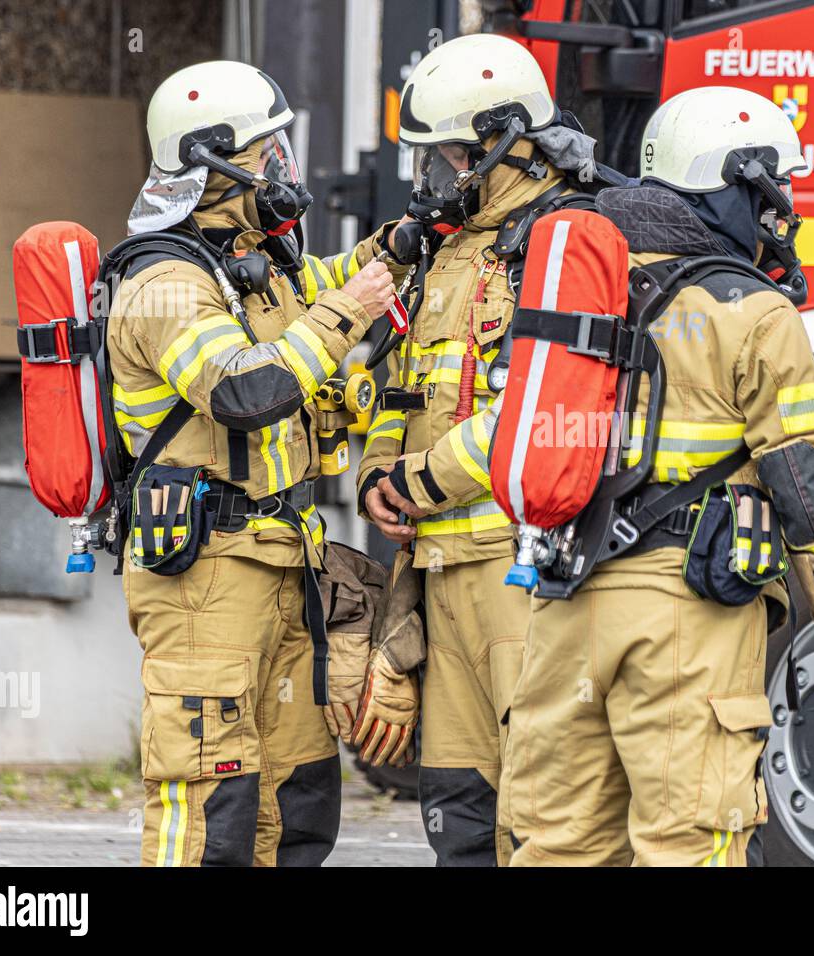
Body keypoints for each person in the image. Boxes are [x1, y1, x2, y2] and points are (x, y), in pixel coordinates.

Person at [495, 87, 814, 866]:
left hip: (563, 605)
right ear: (735, 182)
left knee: (557, 846)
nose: (783, 212)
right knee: (688, 846)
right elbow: (803, 484)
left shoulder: (578, 287)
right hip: (687, 622)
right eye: (776, 190)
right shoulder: (755, 312)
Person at [110, 60, 399, 866]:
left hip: (279, 567)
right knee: (213, 804)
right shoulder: (165, 283)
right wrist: (353, 311)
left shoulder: (252, 264)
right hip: (209, 583)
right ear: (216, 167)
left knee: (297, 797)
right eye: (266, 153)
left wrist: (407, 244)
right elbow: (248, 389)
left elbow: (333, 289)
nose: (281, 169)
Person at [351, 32, 606, 866]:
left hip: (520, 575)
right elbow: (398, 381)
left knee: (540, 813)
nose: (438, 178)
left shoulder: (562, 247)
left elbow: (530, 414)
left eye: (453, 155)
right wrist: (374, 479)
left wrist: (414, 481)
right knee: (459, 814)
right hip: (436, 573)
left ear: (505, 142)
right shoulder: (446, 253)